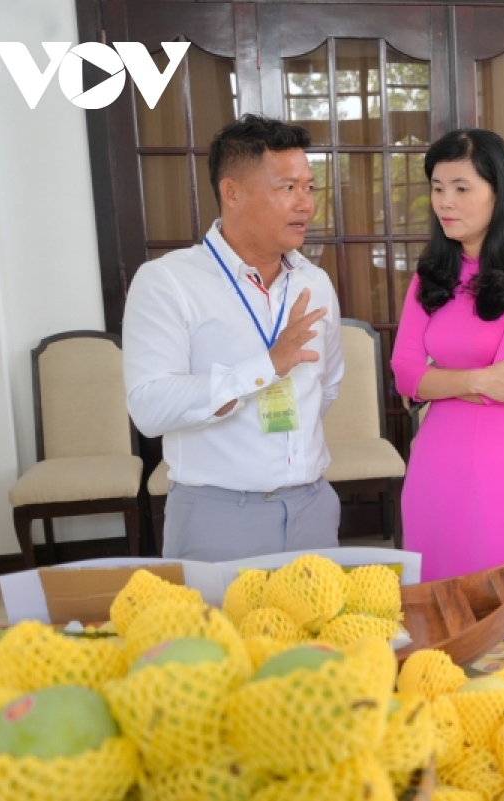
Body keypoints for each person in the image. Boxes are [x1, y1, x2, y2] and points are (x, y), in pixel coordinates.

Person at [124, 115, 344, 561]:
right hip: (218, 514)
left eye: (310, 187)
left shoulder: (314, 282)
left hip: (312, 509)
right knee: (212, 634)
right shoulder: (168, 281)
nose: (306, 204)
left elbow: (327, 386)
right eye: (288, 188)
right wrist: (265, 368)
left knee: (317, 633)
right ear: (233, 192)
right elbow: (149, 407)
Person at [391, 128, 504, 602]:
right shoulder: (430, 275)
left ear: (498, 193)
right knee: (439, 607)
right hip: (434, 459)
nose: (445, 202)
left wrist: (438, 383)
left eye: (461, 188)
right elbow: (404, 373)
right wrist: (474, 380)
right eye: (437, 187)